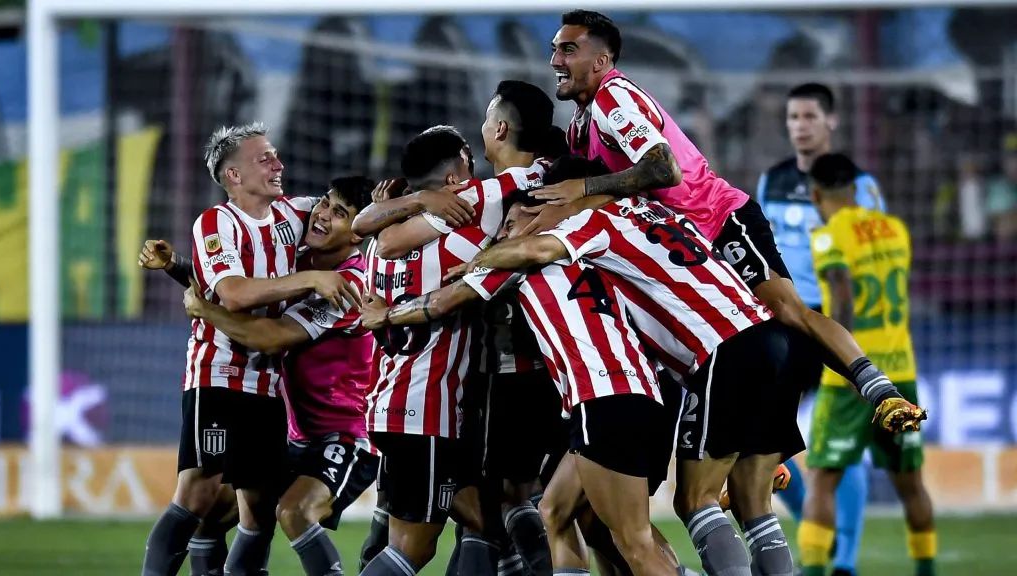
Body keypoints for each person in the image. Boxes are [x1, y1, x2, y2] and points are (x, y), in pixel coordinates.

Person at [528, 9, 926, 429]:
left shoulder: (614, 97)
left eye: (568, 49)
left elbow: (664, 169)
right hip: (679, 248)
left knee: (785, 310)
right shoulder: (579, 127)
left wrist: (583, 188)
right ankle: (757, 450)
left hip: (718, 220)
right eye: (554, 49)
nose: (555, 60)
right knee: (724, 342)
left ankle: (881, 391)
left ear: (600, 61)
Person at [360, 156, 691, 576]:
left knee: (631, 540)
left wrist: (384, 316)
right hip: (649, 394)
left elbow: (442, 301)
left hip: (603, 398)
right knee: (558, 513)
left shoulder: (521, 258)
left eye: (510, 224)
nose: (502, 233)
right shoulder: (597, 243)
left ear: (536, 214)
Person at [139, 122, 360, 576]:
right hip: (218, 374)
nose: (278, 165)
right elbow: (236, 293)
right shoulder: (217, 223)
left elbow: (353, 217)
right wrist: (313, 278)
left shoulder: (296, 214)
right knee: (199, 493)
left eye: (276, 155)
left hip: (269, 386)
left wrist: (420, 199)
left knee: (257, 508)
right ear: (233, 176)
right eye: (265, 159)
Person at [179, 177, 381, 576]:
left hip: (345, 435)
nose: (322, 215)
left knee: (294, 512)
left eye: (340, 214)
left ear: (358, 233)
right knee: (212, 511)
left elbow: (271, 339)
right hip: (293, 436)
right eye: (325, 203)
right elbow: (238, 285)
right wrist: (174, 267)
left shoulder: (352, 284)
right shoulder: (298, 262)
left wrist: (206, 311)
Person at [756, 82, 884, 575]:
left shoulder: (857, 186)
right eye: (793, 118)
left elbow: (870, 262)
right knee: (767, 438)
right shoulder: (772, 181)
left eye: (809, 116)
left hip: (835, 324)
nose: (800, 126)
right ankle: (815, 521)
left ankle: (844, 560)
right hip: (783, 320)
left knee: (838, 447)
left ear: (830, 121)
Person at [798, 154, 937, 576]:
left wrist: (846, 359)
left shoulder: (827, 235)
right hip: (902, 373)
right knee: (910, 483)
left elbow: (841, 290)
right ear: (856, 191)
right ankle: (927, 569)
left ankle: (814, 571)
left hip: (852, 379)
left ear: (816, 194)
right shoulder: (896, 231)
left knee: (822, 478)